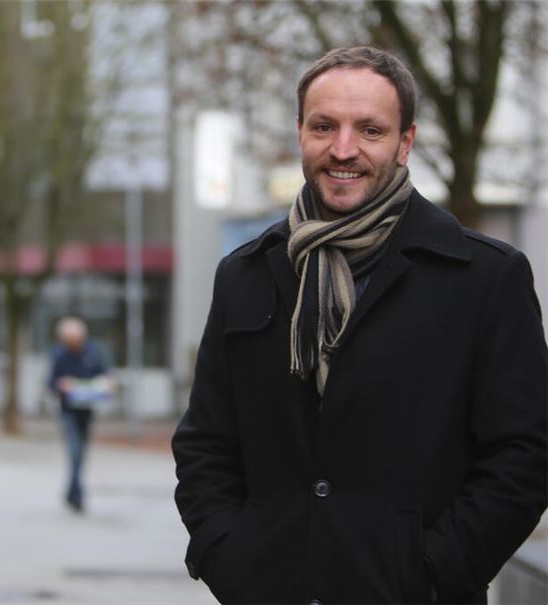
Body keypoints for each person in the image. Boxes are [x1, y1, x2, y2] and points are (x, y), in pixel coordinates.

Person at [172, 46, 547, 604]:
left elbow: (524, 455)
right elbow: (206, 443)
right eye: (324, 126)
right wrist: (228, 558)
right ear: (300, 132)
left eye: (370, 130)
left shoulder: (485, 277)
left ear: (405, 142)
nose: (343, 149)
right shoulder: (245, 274)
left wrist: (435, 572)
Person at [49, 316, 111, 514]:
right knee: (75, 451)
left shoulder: (93, 352)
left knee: (81, 453)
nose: (75, 343)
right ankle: (78, 496)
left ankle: (71, 492)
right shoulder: (60, 355)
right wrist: (61, 385)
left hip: (87, 409)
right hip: (68, 411)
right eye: (70, 341)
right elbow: (51, 383)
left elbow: (104, 375)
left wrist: (106, 384)